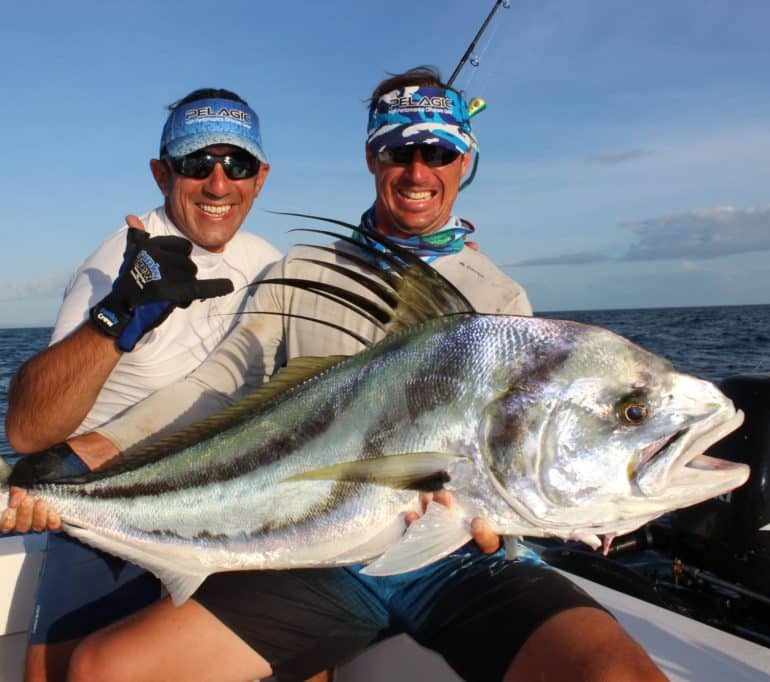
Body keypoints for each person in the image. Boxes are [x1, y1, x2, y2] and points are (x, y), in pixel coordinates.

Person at [48, 67, 666, 681]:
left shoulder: (501, 301)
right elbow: (218, 384)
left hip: (458, 558)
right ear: (373, 158)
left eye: (439, 151)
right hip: (322, 555)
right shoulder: (304, 270)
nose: (418, 172)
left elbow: (525, 454)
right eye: (399, 151)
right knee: (104, 668)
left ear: (464, 160)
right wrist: (88, 452)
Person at [0, 87, 281, 682]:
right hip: (112, 505)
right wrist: (119, 312)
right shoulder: (116, 262)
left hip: (230, 504)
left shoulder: (271, 267)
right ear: (161, 172)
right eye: (195, 163)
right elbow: (28, 430)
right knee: (60, 671)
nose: (218, 183)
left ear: (261, 178)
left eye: (238, 165)